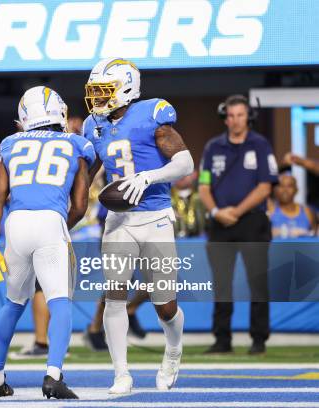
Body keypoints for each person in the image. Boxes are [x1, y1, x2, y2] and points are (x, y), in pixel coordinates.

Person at [83, 58, 194, 394]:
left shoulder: (151, 114)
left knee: (165, 305)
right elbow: (86, 174)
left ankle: (173, 350)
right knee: (114, 296)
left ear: (126, 89)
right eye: (95, 92)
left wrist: (150, 176)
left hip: (156, 217)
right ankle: (121, 374)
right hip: (118, 220)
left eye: (105, 91)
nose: (98, 99)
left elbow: (185, 162)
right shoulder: (93, 124)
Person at [0, 86, 94, 399]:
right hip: (49, 221)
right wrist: (59, 227)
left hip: (15, 225)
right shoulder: (76, 143)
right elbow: (81, 204)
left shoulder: (11, 143)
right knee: (60, 302)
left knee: (14, 302)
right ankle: (53, 375)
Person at [198, 94, 278, 355]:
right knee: (222, 284)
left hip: (253, 221)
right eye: (230, 116)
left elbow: (265, 186)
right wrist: (217, 212)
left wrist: (236, 211)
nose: (235, 120)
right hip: (220, 223)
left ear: (249, 117)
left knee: (258, 282)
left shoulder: (261, 145)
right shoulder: (213, 147)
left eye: (240, 115)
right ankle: (222, 339)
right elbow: (204, 186)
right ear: (225, 117)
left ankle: (259, 339)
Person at [268, 173, 315, 238]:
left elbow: (315, 237)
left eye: (289, 186)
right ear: (275, 190)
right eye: (281, 186)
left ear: (296, 190)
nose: (285, 190)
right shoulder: (270, 211)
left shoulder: (307, 212)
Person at [172, 171, 206, 238]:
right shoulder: (166, 201)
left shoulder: (203, 198)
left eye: (186, 171)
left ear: (194, 174)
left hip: (199, 243)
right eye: (178, 172)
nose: (182, 176)